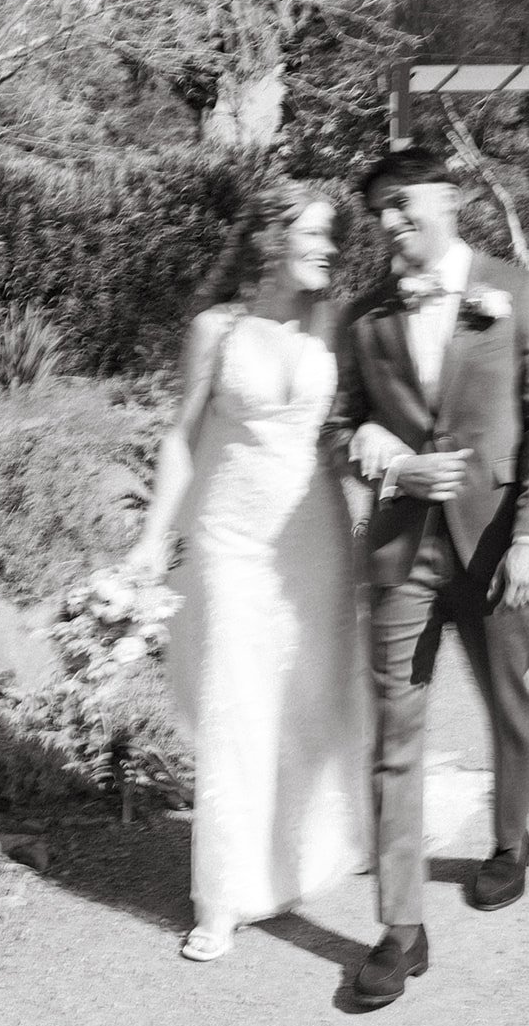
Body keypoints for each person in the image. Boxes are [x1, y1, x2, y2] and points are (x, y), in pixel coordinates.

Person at [323, 144, 529, 1008]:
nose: (389, 223)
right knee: (394, 736)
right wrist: (375, 450)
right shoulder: (363, 317)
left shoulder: (516, 291)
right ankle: (398, 929)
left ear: (448, 201)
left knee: (509, 703)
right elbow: (341, 424)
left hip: (497, 544)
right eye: (377, 210)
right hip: (399, 554)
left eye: (401, 203)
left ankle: (508, 841)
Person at [127, 180, 368, 961]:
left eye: (332, 238)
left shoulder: (338, 320)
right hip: (229, 536)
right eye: (315, 235)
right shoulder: (215, 330)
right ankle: (221, 896)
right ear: (269, 239)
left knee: (305, 699)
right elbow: (180, 438)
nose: (328, 251)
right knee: (234, 704)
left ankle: (301, 852)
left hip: (315, 538)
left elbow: (364, 423)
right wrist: (151, 538)